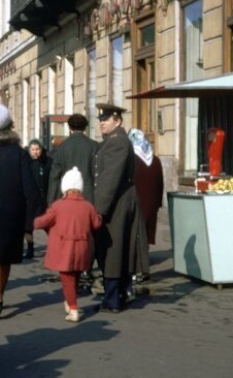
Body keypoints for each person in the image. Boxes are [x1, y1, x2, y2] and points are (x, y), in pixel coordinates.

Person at [0, 103, 40, 319]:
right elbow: (30, 188)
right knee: (5, 256)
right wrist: (29, 218)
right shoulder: (19, 153)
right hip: (13, 212)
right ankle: (0, 294)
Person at [34, 167, 102, 323]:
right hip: (83, 248)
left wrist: (34, 220)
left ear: (65, 187)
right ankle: (69, 301)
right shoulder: (88, 206)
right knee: (76, 275)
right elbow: (96, 224)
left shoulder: (58, 206)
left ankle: (73, 308)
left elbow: (42, 222)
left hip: (64, 248)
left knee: (67, 278)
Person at [92, 103, 139, 313]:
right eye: (100, 119)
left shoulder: (117, 142)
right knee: (116, 248)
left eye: (106, 119)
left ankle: (112, 299)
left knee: (113, 249)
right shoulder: (112, 141)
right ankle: (120, 292)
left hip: (116, 203)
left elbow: (109, 179)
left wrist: (99, 210)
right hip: (117, 201)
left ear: (117, 121)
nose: (102, 123)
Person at [128, 128, 164, 284]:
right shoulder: (155, 160)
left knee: (134, 235)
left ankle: (136, 268)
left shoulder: (131, 160)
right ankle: (144, 263)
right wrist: (157, 203)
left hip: (135, 203)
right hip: (151, 203)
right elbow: (160, 184)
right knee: (146, 234)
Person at [46, 114, 99, 206]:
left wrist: (51, 203)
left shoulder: (61, 148)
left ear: (70, 128)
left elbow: (54, 177)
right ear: (85, 128)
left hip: (66, 196)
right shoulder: (95, 146)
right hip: (89, 198)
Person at [24, 138, 51, 260]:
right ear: (29, 150)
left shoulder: (48, 162)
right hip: (29, 199)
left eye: (37, 149)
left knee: (48, 224)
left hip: (44, 198)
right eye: (33, 150)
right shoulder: (25, 163)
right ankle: (30, 248)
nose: (35, 152)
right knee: (27, 226)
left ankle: (53, 246)